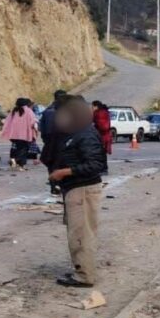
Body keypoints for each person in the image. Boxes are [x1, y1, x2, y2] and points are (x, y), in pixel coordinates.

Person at [49, 96, 107, 287]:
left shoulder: (86, 134)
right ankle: (81, 269)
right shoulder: (75, 132)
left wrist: (64, 172)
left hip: (83, 189)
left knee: (81, 234)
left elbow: (96, 164)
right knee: (77, 233)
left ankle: (84, 276)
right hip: (75, 188)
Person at [40, 90, 67, 193]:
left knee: (51, 165)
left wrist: (46, 141)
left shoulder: (47, 111)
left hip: (50, 143)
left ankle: (54, 186)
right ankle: (61, 186)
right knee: (64, 164)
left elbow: (42, 128)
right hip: (63, 143)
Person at [1, 98, 37, 171]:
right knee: (23, 150)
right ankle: (21, 166)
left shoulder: (14, 111)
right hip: (25, 135)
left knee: (16, 148)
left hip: (14, 135)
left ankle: (14, 161)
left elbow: (7, 122)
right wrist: (35, 130)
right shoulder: (28, 111)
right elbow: (33, 122)